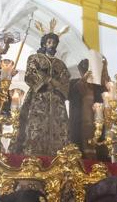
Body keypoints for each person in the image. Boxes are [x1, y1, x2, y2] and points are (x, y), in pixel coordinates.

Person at [11, 23, 71, 156]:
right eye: (49, 41)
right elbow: (31, 74)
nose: (52, 44)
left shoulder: (61, 64)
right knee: (35, 124)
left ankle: (58, 154)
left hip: (56, 99)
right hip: (39, 96)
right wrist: (47, 81)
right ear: (44, 43)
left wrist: (57, 85)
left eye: (54, 42)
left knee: (58, 126)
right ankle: (31, 151)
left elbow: (65, 79)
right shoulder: (35, 58)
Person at [68, 56, 111, 160]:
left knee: (98, 140)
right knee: (79, 141)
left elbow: (108, 89)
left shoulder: (98, 86)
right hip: (80, 120)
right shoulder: (74, 82)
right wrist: (83, 80)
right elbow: (70, 93)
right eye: (84, 68)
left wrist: (104, 67)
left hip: (96, 120)